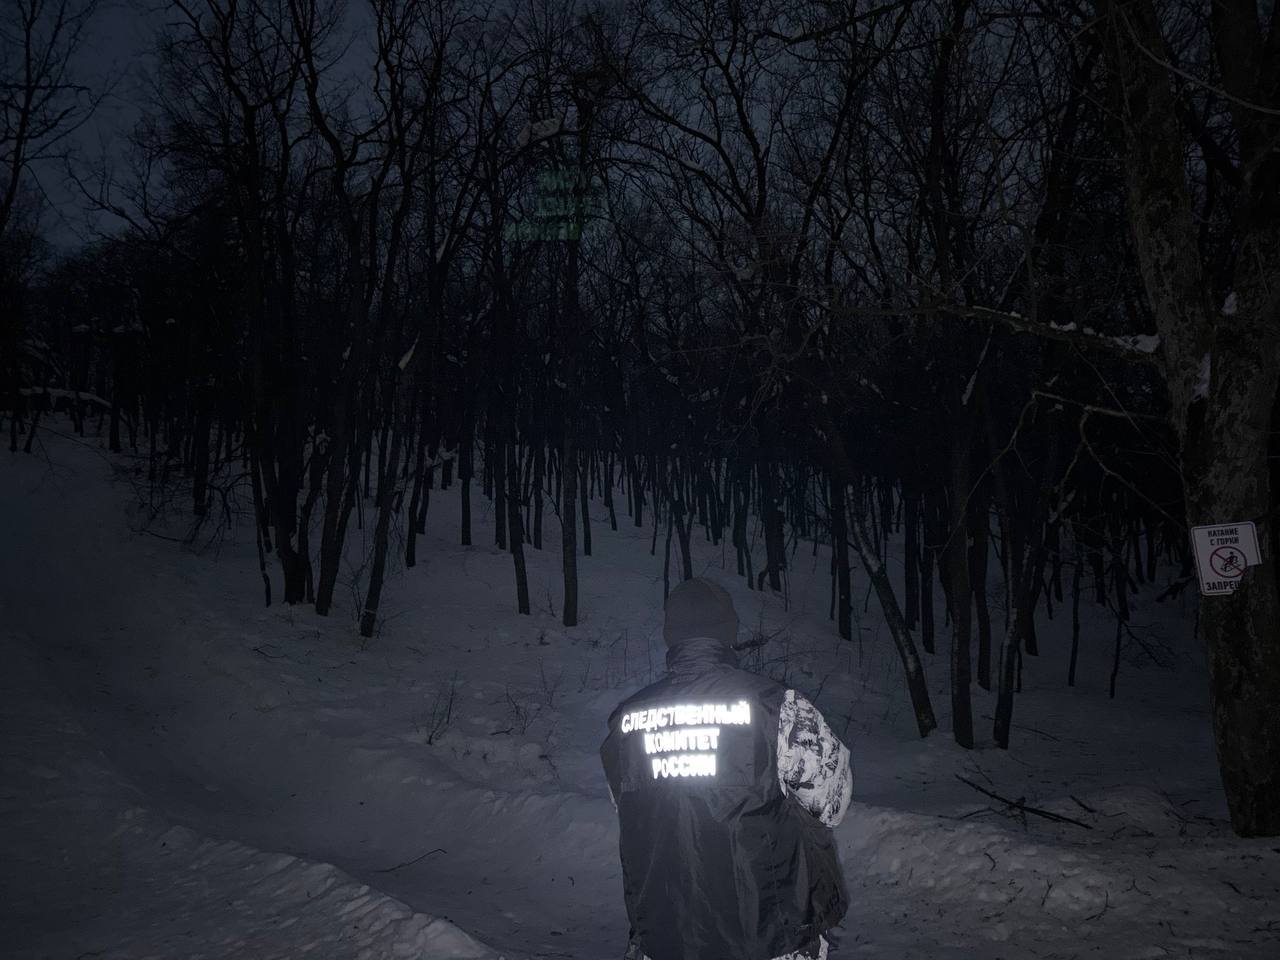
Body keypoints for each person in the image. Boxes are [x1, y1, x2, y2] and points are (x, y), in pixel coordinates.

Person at [600, 577, 854, 960]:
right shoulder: (777, 707)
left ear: (671, 635)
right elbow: (832, 804)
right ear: (728, 632)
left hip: (663, 939)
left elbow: (630, 811)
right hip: (767, 936)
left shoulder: (625, 721)